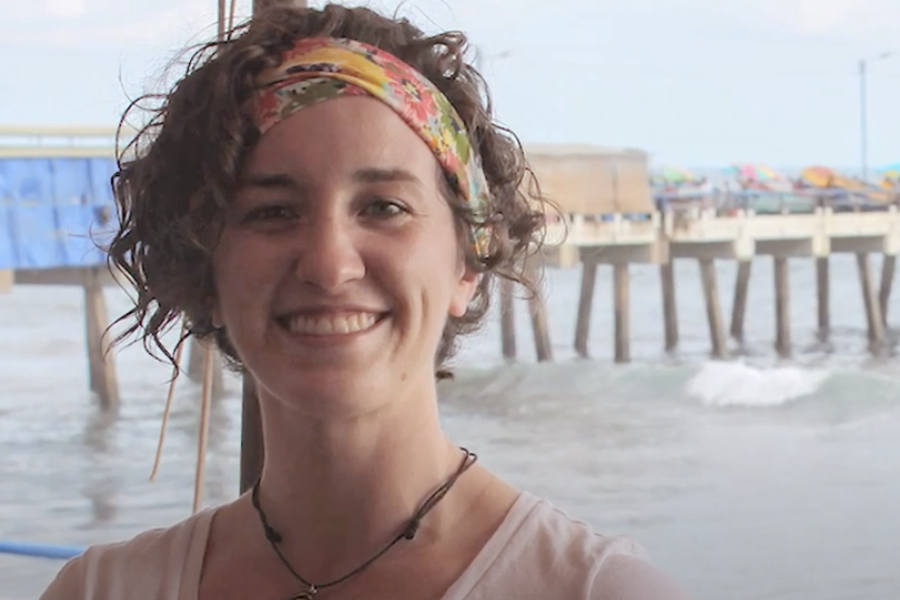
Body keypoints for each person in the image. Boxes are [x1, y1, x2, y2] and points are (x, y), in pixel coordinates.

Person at [40, 4, 691, 599]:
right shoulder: (103, 589)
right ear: (205, 269)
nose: (328, 263)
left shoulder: (593, 589)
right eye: (273, 211)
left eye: (384, 207)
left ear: (468, 259)